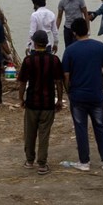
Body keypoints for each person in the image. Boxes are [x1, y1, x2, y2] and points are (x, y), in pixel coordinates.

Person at [61, 18, 103, 171]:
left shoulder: (70, 50)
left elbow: (66, 74)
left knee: (80, 127)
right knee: (100, 125)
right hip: (96, 93)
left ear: (74, 33)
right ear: (87, 29)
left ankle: (84, 161)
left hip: (78, 95)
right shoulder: (100, 47)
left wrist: (68, 91)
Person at [18, 29, 64, 174]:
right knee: (44, 134)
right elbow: (58, 82)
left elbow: (22, 82)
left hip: (32, 101)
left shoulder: (28, 60)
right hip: (48, 102)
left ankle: (30, 160)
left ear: (34, 43)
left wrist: (21, 98)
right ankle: (42, 164)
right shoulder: (54, 60)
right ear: (46, 43)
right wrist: (60, 100)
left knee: (30, 133)